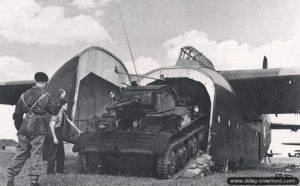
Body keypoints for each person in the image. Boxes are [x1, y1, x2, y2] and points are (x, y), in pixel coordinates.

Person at [7, 72, 66, 186]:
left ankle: (10, 179)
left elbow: (17, 115)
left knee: (21, 152)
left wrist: (20, 129)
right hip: (39, 128)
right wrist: (62, 99)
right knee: (36, 153)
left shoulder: (23, 95)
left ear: (36, 80)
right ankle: (34, 181)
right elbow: (54, 111)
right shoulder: (45, 96)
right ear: (44, 82)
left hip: (24, 127)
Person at [47, 102, 83, 174]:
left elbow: (70, 122)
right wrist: (54, 138)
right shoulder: (56, 113)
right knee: (53, 154)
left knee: (61, 153)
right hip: (54, 133)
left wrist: (78, 130)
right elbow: (51, 126)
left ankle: (60, 171)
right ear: (62, 106)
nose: (67, 107)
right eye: (66, 106)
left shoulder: (63, 113)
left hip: (59, 134)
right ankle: (50, 172)